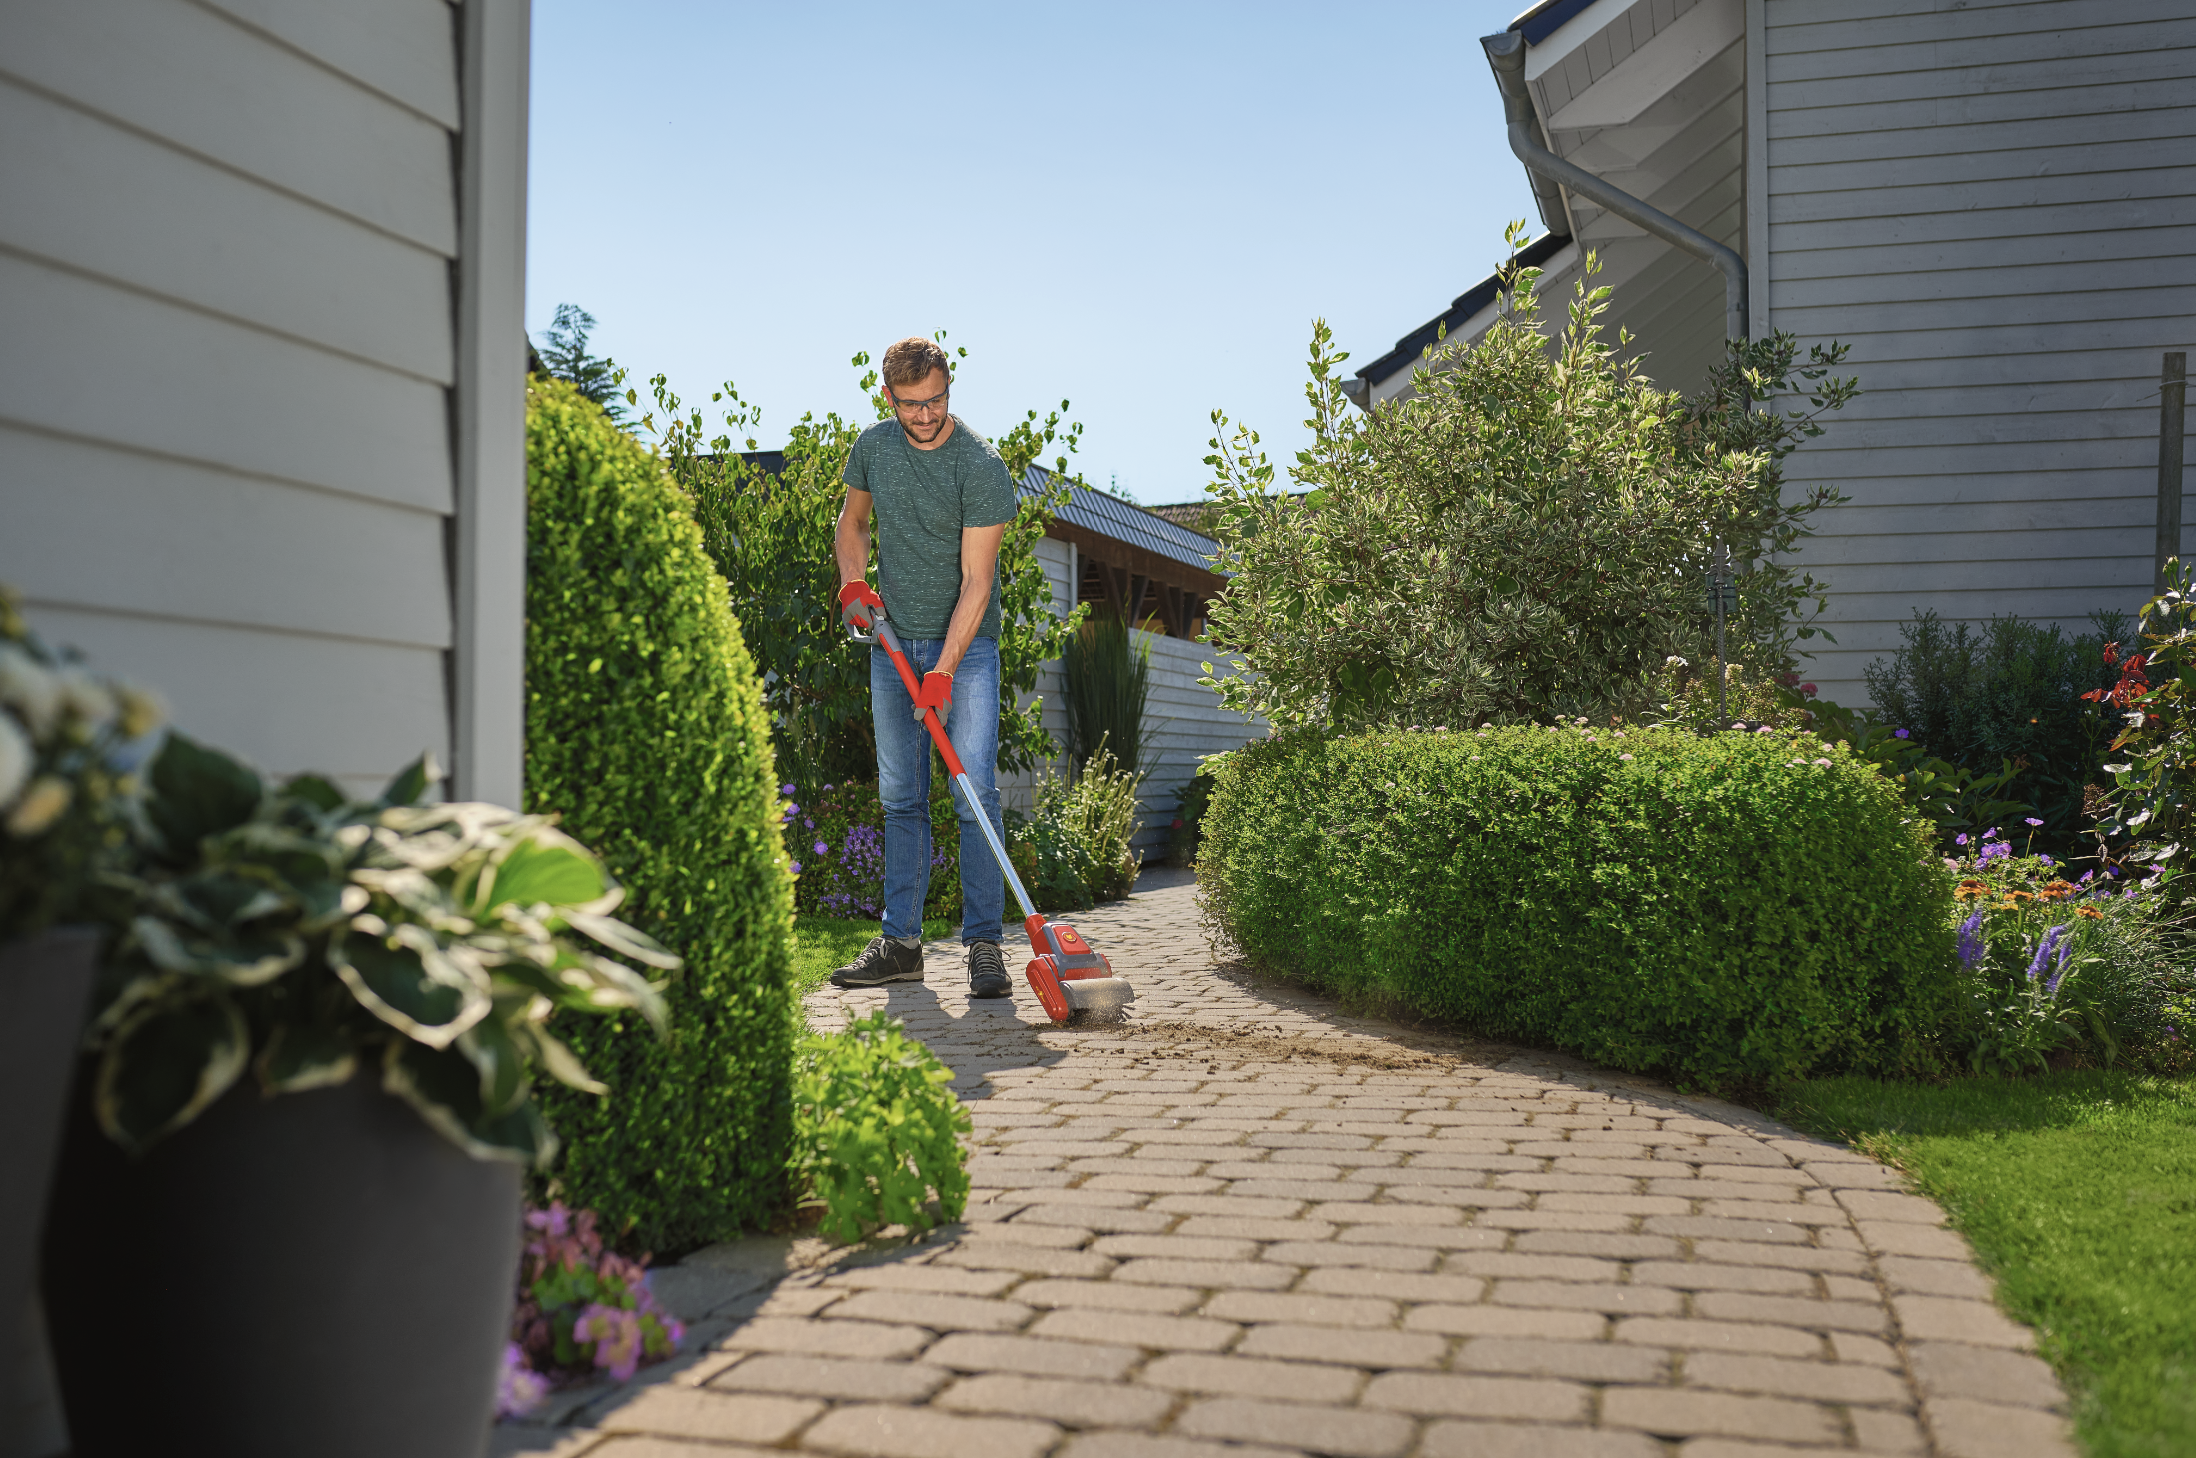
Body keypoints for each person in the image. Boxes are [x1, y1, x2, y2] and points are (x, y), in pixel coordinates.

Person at [828, 336, 1017, 999]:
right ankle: (901, 945)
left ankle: (985, 945)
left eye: (935, 400)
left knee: (974, 797)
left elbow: (977, 582)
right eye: (912, 405)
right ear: (890, 398)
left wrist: (944, 671)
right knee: (901, 797)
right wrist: (854, 582)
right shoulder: (873, 447)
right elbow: (851, 524)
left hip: (964, 651)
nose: (926, 415)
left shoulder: (980, 467)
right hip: (892, 642)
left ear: (948, 390)